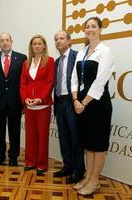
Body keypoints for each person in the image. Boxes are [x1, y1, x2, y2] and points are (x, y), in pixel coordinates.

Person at [71, 17, 114, 195]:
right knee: (88, 144)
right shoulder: (82, 52)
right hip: (81, 103)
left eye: (93, 26)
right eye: (87, 27)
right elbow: (74, 78)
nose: (90, 29)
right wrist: (75, 99)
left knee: (98, 145)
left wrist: (83, 103)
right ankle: (88, 177)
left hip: (97, 104)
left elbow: (100, 81)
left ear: (100, 29)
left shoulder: (105, 51)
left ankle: (95, 181)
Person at [0, 33, 27, 166]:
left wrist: (23, 101)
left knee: (14, 131)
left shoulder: (22, 58)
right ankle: (0, 156)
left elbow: (24, 81)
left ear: (11, 41)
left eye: (7, 40)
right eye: (2, 41)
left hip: (15, 102)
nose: (5, 43)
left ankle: (13, 157)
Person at [53, 31, 85, 183]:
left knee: (75, 137)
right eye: (56, 39)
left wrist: (78, 100)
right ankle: (68, 166)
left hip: (72, 101)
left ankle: (78, 170)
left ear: (69, 40)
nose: (58, 41)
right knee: (64, 136)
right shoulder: (56, 62)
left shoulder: (77, 56)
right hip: (59, 102)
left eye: (61, 38)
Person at [20, 34, 54, 175]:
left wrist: (41, 98)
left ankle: (41, 164)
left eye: (40, 44)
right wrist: (25, 98)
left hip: (43, 106)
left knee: (42, 136)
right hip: (29, 106)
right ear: (31, 46)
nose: (37, 46)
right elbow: (23, 83)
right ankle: (30, 162)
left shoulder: (50, 61)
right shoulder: (26, 63)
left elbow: (50, 82)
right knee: (30, 135)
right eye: (34, 44)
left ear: (44, 46)